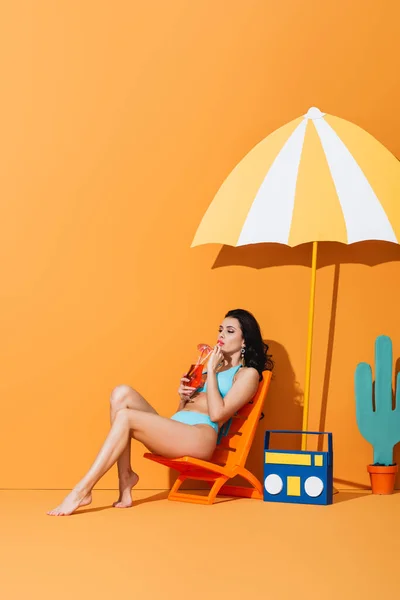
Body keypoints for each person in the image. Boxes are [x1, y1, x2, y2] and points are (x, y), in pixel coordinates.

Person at [47, 308, 273, 516]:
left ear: (244, 340)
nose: (221, 335)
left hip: (200, 437)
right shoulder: (212, 366)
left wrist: (211, 373)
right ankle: (125, 480)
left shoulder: (247, 374)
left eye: (230, 331)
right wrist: (183, 397)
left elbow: (217, 414)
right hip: (180, 429)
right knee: (121, 394)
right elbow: (182, 413)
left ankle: (82, 491)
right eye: (220, 329)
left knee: (126, 416)